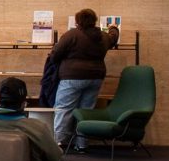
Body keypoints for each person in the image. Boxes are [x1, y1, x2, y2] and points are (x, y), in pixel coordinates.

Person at [50, 8, 120, 152]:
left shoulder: (71, 35)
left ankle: (59, 143)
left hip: (72, 77)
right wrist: (113, 28)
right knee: (86, 111)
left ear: (77, 21)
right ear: (94, 20)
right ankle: (82, 144)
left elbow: (55, 54)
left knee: (64, 109)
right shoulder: (102, 36)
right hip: (95, 77)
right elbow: (113, 38)